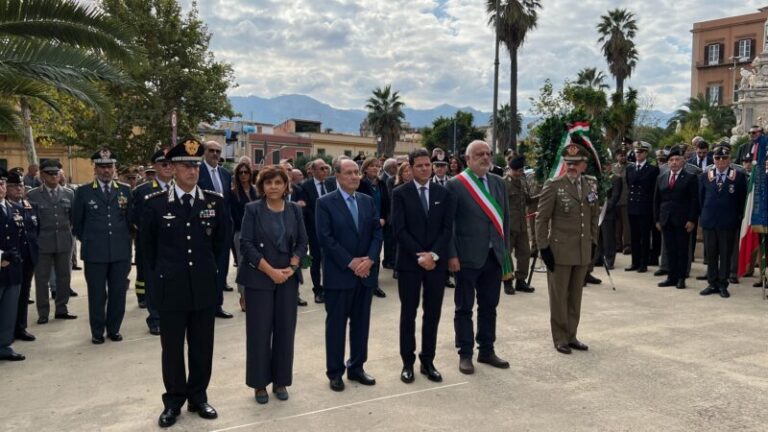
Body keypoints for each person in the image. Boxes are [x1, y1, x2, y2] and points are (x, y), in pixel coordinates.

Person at [141, 138, 226, 427]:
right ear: (172, 169)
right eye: (186, 166)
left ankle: (198, 397)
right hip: (171, 289)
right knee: (173, 349)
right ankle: (174, 401)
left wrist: (216, 282)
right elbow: (146, 252)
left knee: (203, 346)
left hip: (203, 287)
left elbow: (221, 248)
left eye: (196, 165)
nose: (193, 171)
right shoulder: (155, 204)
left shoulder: (215, 202)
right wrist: (155, 289)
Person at [236, 165, 308, 404]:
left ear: (286, 185)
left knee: (285, 331)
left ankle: (280, 381)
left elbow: (302, 241)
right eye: (269, 183)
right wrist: (270, 271)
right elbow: (246, 245)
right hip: (259, 279)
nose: (273, 187)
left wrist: (294, 266)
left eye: (278, 182)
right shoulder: (252, 209)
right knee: (259, 332)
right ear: (262, 186)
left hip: (288, 278)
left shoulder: (294, 210)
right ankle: (259, 384)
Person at [316, 159, 383, 392]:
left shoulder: (366, 201)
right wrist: (351, 262)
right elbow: (325, 238)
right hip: (339, 275)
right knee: (336, 326)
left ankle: (356, 367)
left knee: (361, 324)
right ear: (337, 176)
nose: (355, 177)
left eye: (357, 172)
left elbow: (377, 232)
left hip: (365, 275)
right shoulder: (324, 203)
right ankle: (335, 372)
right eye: (349, 173)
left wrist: (371, 260)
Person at [391, 149, 456, 384]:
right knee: (408, 313)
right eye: (419, 166)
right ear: (409, 168)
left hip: (436, 266)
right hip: (410, 263)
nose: (425, 169)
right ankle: (407, 363)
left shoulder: (443, 192)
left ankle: (427, 361)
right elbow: (398, 229)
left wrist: (435, 255)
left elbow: (447, 228)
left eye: (427, 165)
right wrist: (420, 255)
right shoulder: (400, 193)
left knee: (433, 314)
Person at [446, 140, 511, 374]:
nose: (485, 157)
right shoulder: (455, 185)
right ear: (468, 159)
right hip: (466, 257)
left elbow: (505, 219)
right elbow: (449, 224)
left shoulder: (498, 183)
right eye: (479, 154)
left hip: (494, 255)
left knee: (489, 306)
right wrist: (451, 255)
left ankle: (487, 349)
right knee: (464, 307)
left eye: (488, 153)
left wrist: (506, 251)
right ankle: (465, 353)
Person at [535, 143, 599, 355]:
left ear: (584, 165)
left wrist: (593, 242)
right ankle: (560, 337)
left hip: (581, 249)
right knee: (559, 296)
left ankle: (572, 335)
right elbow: (541, 219)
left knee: (575, 297)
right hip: (559, 251)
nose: (571, 166)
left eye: (575, 163)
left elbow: (593, 216)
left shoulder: (590, 185)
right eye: (568, 163)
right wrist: (543, 248)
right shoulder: (554, 186)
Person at [72, 149, 133, 344]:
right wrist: (90, 240)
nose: (106, 171)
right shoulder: (83, 191)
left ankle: (114, 329)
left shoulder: (125, 190)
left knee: (118, 293)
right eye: (102, 167)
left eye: (109, 166)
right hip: (95, 253)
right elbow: (77, 223)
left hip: (120, 251)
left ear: (115, 168)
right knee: (97, 295)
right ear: (95, 169)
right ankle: (97, 331)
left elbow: (130, 220)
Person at [27, 159, 77, 324]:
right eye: (50, 173)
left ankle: (61, 309)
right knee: (41, 278)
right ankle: (43, 312)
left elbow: (72, 218)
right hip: (42, 241)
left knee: (64, 276)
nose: (54, 176)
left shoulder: (69, 193)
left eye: (56, 173)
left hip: (63, 239)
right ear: (42, 175)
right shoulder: (33, 194)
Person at [131, 149, 173, 335]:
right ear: (155, 167)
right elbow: (133, 219)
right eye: (163, 164)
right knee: (153, 282)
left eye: (170, 164)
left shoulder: (180, 188)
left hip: (174, 245)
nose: (167, 167)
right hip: (151, 245)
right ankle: (155, 318)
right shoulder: (143, 191)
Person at [698, 143, 748, 298]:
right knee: (711, 254)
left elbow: (742, 201)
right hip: (710, 221)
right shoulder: (705, 176)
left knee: (725, 255)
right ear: (713, 159)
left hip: (728, 222)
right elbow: (701, 199)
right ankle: (712, 283)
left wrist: (736, 218)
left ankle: (722, 284)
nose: (720, 161)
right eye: (717, 157)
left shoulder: (738, 177)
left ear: (729, 159)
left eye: (724, 158)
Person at [197, 140, 234, 318]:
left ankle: (217, 305)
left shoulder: (226, 174)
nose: (215, 154)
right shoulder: (197, 171)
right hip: (203, 228)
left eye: (218, 151)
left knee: (221, 267)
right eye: (211, 150)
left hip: (223, 229)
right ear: (204, 152)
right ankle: (204, 305)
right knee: (204, 269)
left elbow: (227, 203)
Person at [653, 144, 698, 289]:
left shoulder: (690, 178)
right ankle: (671, 277)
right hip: (666, 218)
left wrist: (692, 219)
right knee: (670, 249)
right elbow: (657, 200)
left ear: (683, 161)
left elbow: (694, 200)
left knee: (682, 250)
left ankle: (681, 278)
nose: (674, 162)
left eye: (677, 159)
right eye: (671, 160)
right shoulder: (661, 177)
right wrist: (657, 219)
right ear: (668, 162)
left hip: (683, 220)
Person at [7, 171, 39, 342]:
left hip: (28, 256)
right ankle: (8, 330)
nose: (18, 189)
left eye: (20, 185)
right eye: (13, 186)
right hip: (11, 259)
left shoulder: (30, 206)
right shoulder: (5, 207)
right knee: (10, 297)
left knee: (24, 294)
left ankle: (21, 327)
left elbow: (35, 231)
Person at [300, 159, 336, 304]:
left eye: (326, 168)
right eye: (321, 169)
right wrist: (319, 218)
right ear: (313, 170)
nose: (324, 171)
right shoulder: (306, 186)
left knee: (331, 259)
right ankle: (318, 290)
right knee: (316, 261)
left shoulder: (330, 183)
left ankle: (330, 287)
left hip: (332, 229)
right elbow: (305, 207)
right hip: (314, 229)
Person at [0, 168, 26, 361]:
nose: (0, 188)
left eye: (1, 184)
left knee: (9, 311)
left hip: (14, 269)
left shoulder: (14, 208)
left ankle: (4, 345)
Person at [503, 155, 536, 295]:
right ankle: (508, 282)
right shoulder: (503, 183)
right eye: (516, 170)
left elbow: (528, 200)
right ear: (510, 169)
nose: (518, 173)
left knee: (524, 254)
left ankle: (521, 281)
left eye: (521, 170)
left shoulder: (522, 182)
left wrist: (543, 195)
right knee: (506, 255)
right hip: (508, 226)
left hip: (522, 225)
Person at [356, 158, 389, 298]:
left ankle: (374, 284)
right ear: (365, 168)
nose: (375, 169)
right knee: (364, 253)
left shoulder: (382, 183)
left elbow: (387, 203)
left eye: (377, 166)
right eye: (372, 166)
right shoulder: (360, 184)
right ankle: (362, 282)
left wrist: (384, 218)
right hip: (363, 224)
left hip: (379, 223)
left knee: (375, 253)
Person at [625, 141, 659, 273]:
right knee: (634, 236)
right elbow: (629, 185)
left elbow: (653, 190)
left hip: (645, 207)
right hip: (633, 206)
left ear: (646, 153)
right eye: (636, 152)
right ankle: (635, 262)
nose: (637, 154)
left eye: (640, 152)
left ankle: (643, 263)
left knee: (644, 237)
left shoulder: (652, 169)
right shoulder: (630, 168)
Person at [231, 161, 258, 305]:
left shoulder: (257, 190)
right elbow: (234, 215)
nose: (243, 175)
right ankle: (243, 296)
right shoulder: (233, 193)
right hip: (240, 233)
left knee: (257, 263)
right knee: (242, 265)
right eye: (240, 172)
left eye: (245, 172)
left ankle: (254, 294)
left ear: (250, 174)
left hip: (258, 233)